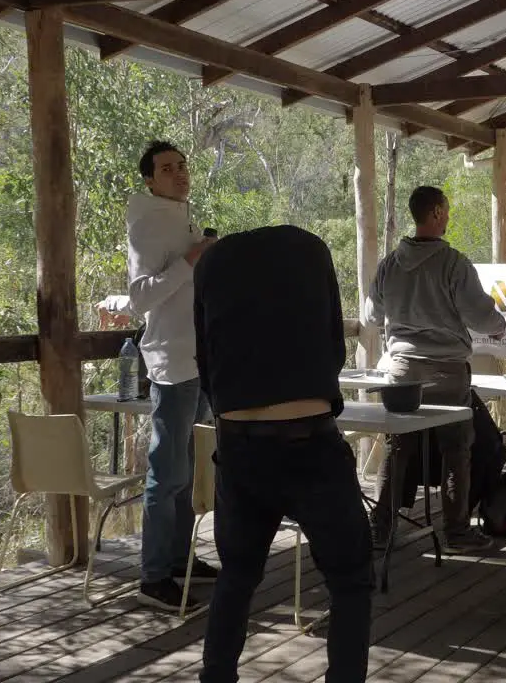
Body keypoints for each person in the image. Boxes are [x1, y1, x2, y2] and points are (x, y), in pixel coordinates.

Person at [194, 225, 372, 683]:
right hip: (310, 439)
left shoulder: (213, 264)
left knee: (236, 578)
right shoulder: (311, 253)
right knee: (350, 582)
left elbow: (206, 360)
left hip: (239, 444)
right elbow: (334, 344)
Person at [364, 186, 506, 554]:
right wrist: (499, 325)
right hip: (446, 370)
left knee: (398, 448)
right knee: (456, 449)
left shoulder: (389, 264)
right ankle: (456, 532)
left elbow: (370, 316)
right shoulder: (453, 263)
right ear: (438, 214)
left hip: (401, 372)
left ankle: (381, 527)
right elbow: (480, 316)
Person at [126, 140, 219, 612]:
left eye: (182, 165)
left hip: (197, 359)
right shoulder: (146, 220)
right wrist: (192, 260)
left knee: (184, 473)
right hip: (171, 363)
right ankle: (154, 577)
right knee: (166, 475)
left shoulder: (177, 215)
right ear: (149, 179)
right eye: (167, 168)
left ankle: (180, 562)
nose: (179, 174)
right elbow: (140, 296)